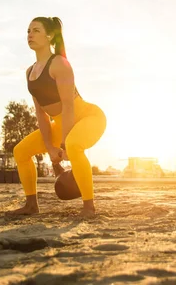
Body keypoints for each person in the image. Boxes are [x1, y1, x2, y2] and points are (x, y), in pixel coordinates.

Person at [8, 16, 106, 217]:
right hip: (61, 124)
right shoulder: (29, 72)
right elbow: (40, 113)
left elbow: (69, 105)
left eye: (35, 30)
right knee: (21, 151)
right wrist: (50, 147)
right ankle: (31, 205)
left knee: (73, 145)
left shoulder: (60, 63)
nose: (30, 34)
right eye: (28, 31)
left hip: (88, 117)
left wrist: (63, 143)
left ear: (49, 35)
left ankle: (89, 207)